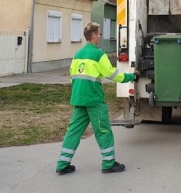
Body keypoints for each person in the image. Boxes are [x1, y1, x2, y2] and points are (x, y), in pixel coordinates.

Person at [56, 22, 137, 175]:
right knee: (103, 130)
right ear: (93, 36)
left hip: (79, 99)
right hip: (94, 100)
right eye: (99, 34)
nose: (101, 36)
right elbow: (113, 74)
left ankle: (62, 164)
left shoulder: (77, 54)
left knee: (73, 131)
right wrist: (131, 76)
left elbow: (72, 76)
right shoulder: (99, 55)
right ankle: (108, 163)